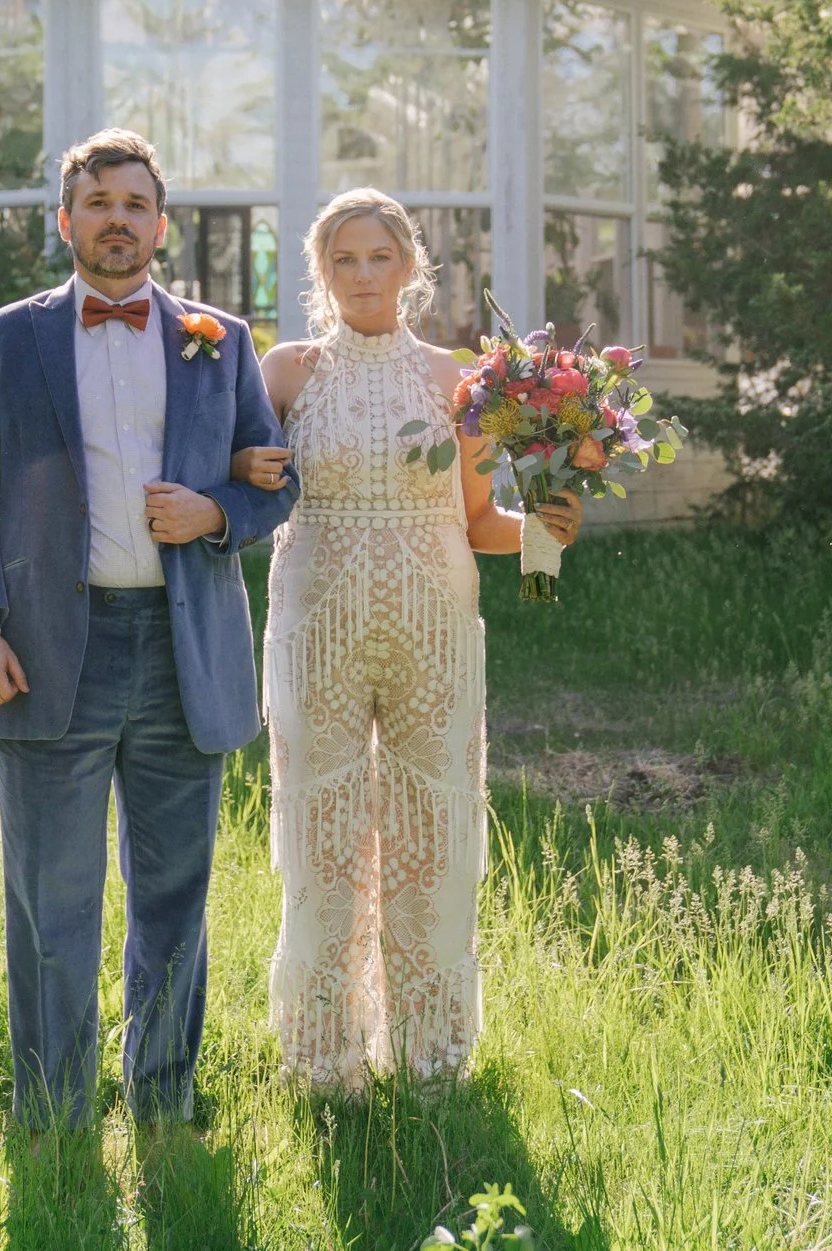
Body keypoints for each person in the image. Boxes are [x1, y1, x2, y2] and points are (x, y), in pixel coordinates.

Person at [0, 129, 297, 1131]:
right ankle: (53, 1115)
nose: (117, 220)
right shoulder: (8, 338)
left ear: (160, 224)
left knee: (175, 895)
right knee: (51, 899)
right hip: (50, 652)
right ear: (65, 220)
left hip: (186, 654)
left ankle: (163, 1099)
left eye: (135, 204)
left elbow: (275, 481)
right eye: (98, 202)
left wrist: (215, 510)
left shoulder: (220, 341)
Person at [230, 188, 580, 1091]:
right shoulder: (285, 372)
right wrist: (236, 465)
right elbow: (242, 486)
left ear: (410, 265)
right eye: (343, 259)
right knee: (324, 839)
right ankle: (322, 1061)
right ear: (320, 272)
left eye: (379, 256)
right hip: (318, 631)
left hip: (434, 627)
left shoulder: (457, 378)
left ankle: (433, 1061)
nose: (362, 274)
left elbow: (478, 519)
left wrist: (546, 534)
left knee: (433, 834)